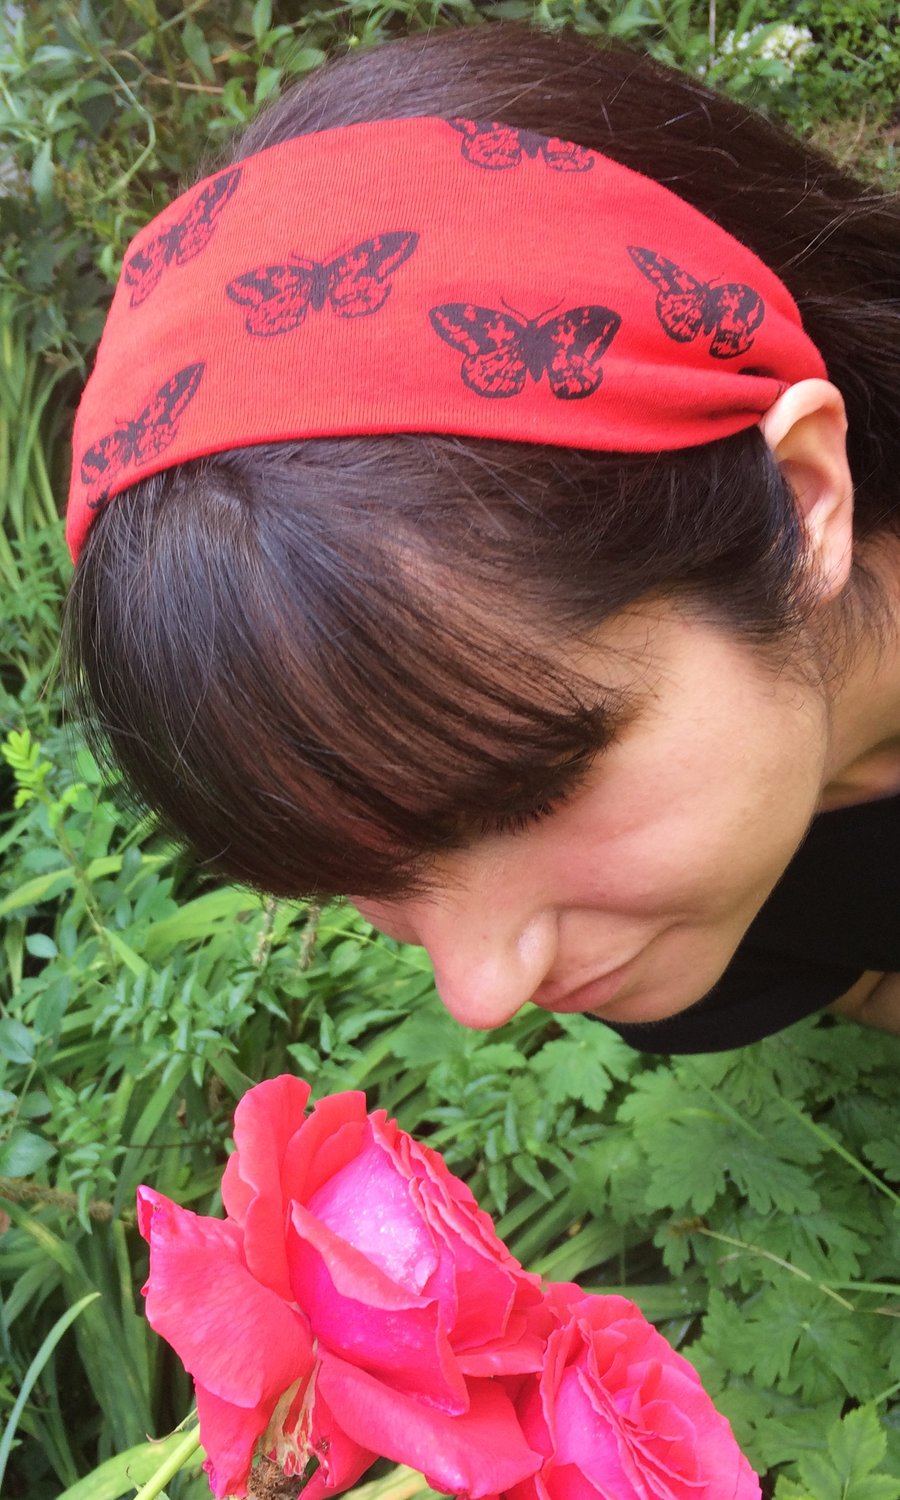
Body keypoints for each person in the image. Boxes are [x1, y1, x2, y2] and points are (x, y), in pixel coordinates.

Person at [62, 21, 900, 1054]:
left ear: (800, 497)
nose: (482, 990)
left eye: (531, 794)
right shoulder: (692, 947)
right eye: (362, 875)